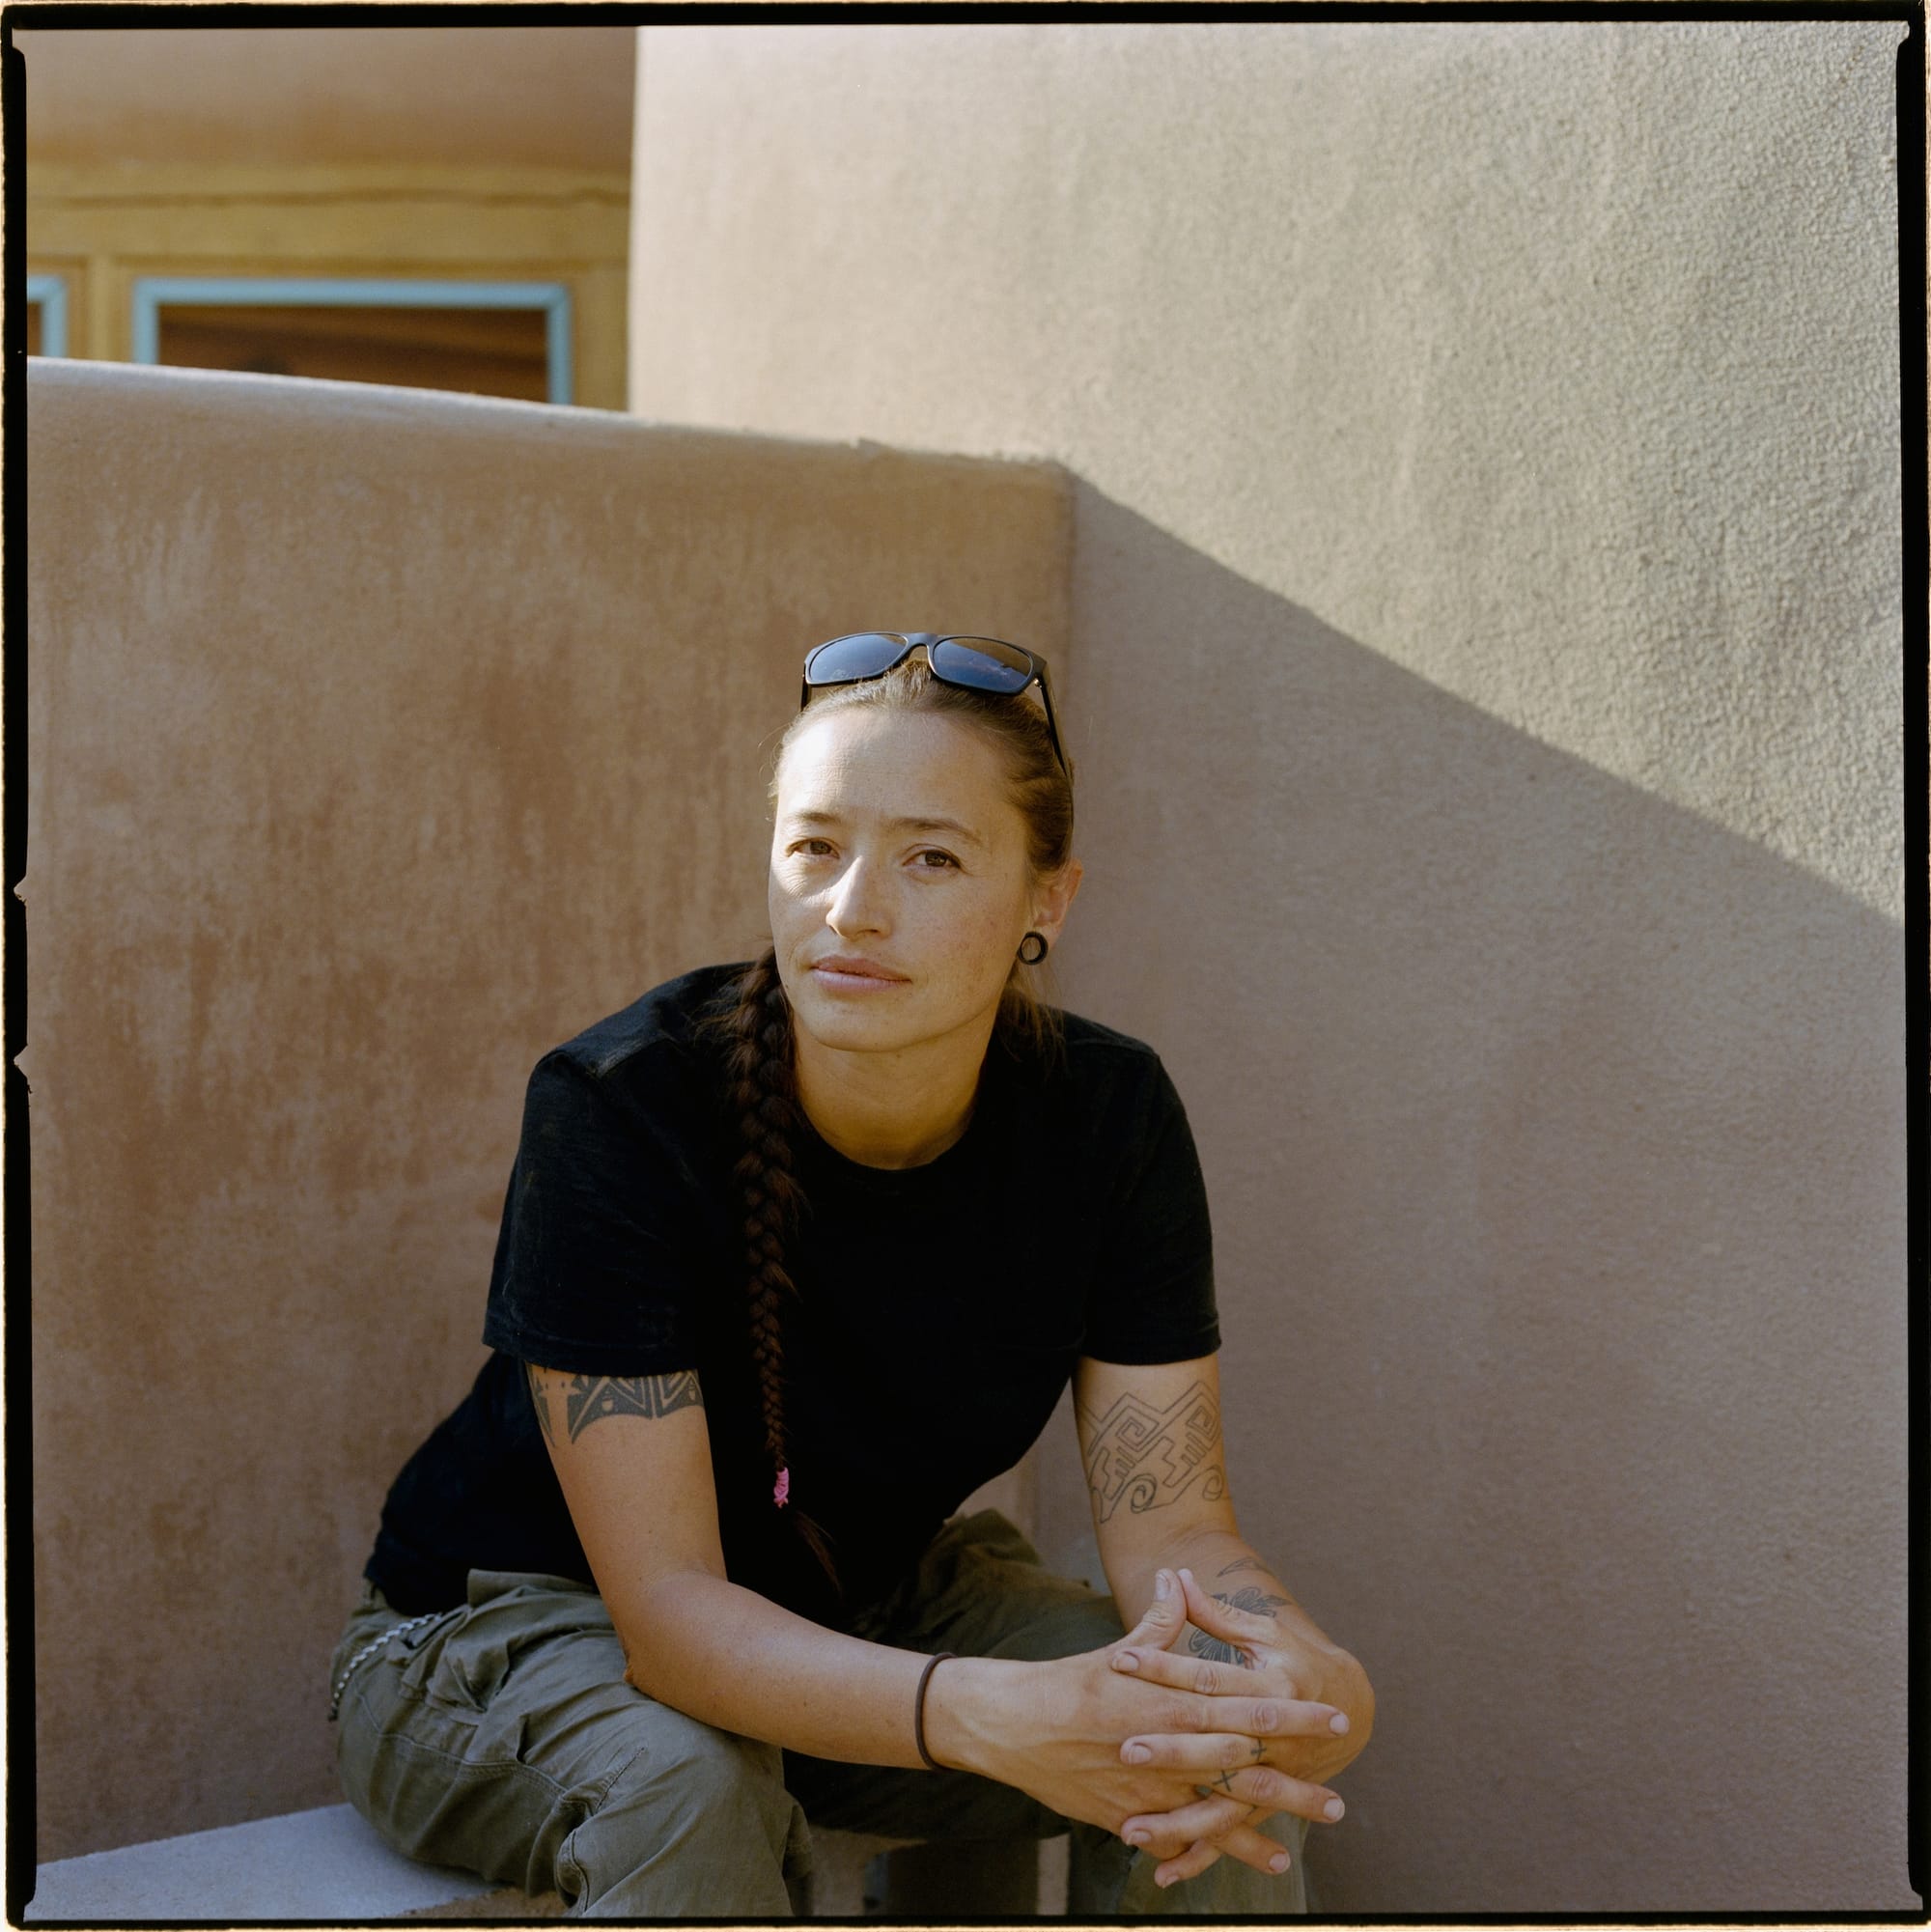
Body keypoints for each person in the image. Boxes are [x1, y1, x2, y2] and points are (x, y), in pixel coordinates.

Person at [330, 630, 1373, 1918]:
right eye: (815, 846)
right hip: (511, 1630)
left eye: (932, 857)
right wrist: (981, 1712)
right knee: (685, 1788)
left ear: (1048, 901)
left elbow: (1175, 1529)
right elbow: (669, 1616)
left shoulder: (1110, 1119)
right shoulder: (624, 1107)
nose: (852, 908)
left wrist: (1306, 1672)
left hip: (861, 1615)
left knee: (1209, 1719)